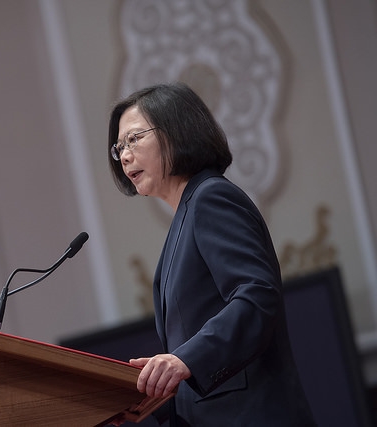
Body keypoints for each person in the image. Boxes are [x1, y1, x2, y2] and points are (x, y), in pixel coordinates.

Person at [107, 83, 315, 426]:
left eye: (133, 139)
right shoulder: (184, 218)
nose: (125, 155)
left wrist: (184, 360)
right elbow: (193, 369)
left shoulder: (211, 198)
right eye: (120, 147)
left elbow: (257, 296)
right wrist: (149, 402)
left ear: (175, 131)